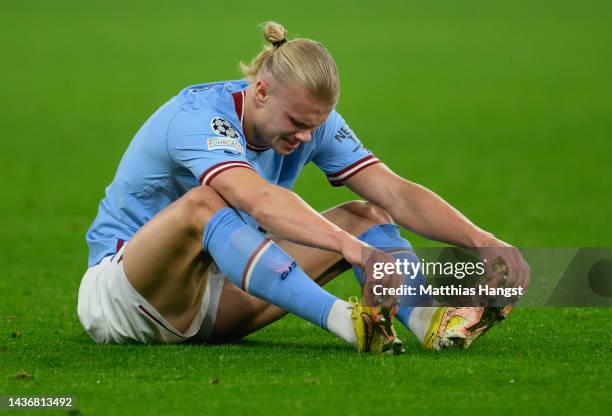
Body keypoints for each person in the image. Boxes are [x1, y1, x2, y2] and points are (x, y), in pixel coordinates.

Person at [77, 21, 530, 353]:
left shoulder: (310, 122)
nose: (306, 138)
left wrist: (484, 241)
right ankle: (351, 325)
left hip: (212, 301)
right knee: (207, 202)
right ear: (260, 92)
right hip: (124, 297)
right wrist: (351, 251)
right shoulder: (199, 117)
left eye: (315, 125)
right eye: (296, 123)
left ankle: (430, 322)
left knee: (366, 216)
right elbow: (257, 199)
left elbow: (393, 191)